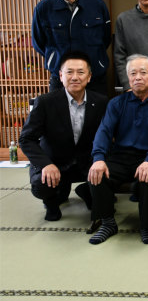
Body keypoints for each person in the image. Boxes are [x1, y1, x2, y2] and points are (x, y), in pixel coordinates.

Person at [88, 55, 148, 245]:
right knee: (97, 174)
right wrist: (98, 158)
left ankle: (146, 227)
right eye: (133, 73)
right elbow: (104, 131)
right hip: (121, 156)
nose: (138, 77)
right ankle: (108, 223)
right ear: (128, 77)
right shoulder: (117, 103)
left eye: (143, 72)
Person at [19, 51, 108, 221]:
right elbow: (26, 139)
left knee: (110, 177)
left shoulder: (101, 102)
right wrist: (45, 164)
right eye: (69, 72)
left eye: (80, 72)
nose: (75, 77)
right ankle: (51, 203)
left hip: (85, 162)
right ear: (60, 76)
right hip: (55, 162)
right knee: (41, 184)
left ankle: (86, 191)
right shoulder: (45, 102)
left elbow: (107, 136)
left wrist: (100, 161)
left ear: (89, 77)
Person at [31, 0, 111, 95]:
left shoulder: (97, 5)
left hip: (94, 76)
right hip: (61, 77)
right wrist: (55, 59)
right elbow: (39, 43)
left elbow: (106, 39)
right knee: (58, 109)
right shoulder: (43, 8)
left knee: (98, 109)